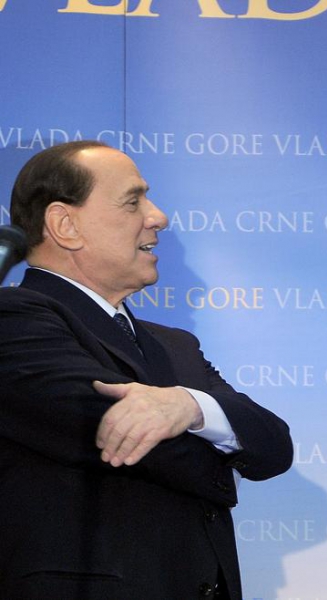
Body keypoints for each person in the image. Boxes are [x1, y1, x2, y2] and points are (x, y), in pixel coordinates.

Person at [0, 140, 293, 600]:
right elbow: (115, 431)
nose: (158, 217)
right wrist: (225, 455)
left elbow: (274, 445)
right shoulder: (12, 318)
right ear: (65, 225)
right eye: (133, 201)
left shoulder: (175, 344)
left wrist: (189, 406)